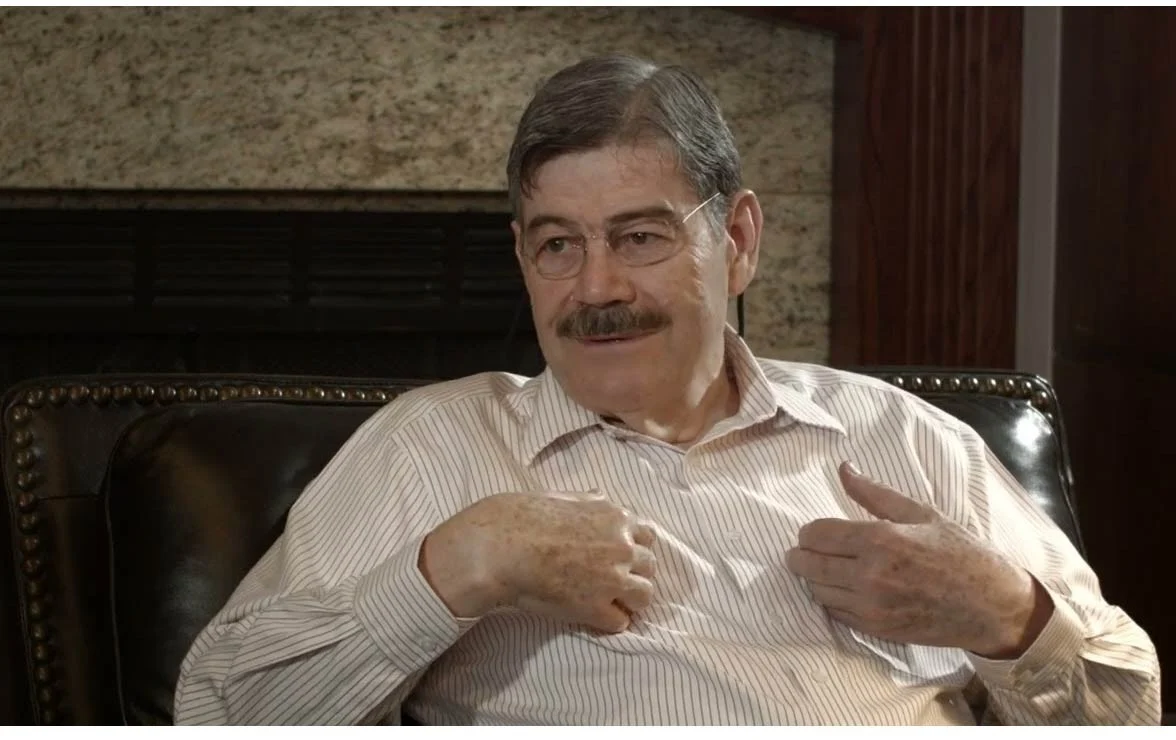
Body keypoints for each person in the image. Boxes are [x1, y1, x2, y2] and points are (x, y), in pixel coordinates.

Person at [173, 55, 1160, 725]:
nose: (596, 287)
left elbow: (1131, 708)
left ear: (738, 240)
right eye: (558, 245)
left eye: (639, 236)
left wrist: (1005, 613)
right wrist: (460, 567)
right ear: (522, 257)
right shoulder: (431, 445)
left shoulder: (907, 438)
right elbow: (216, 711)